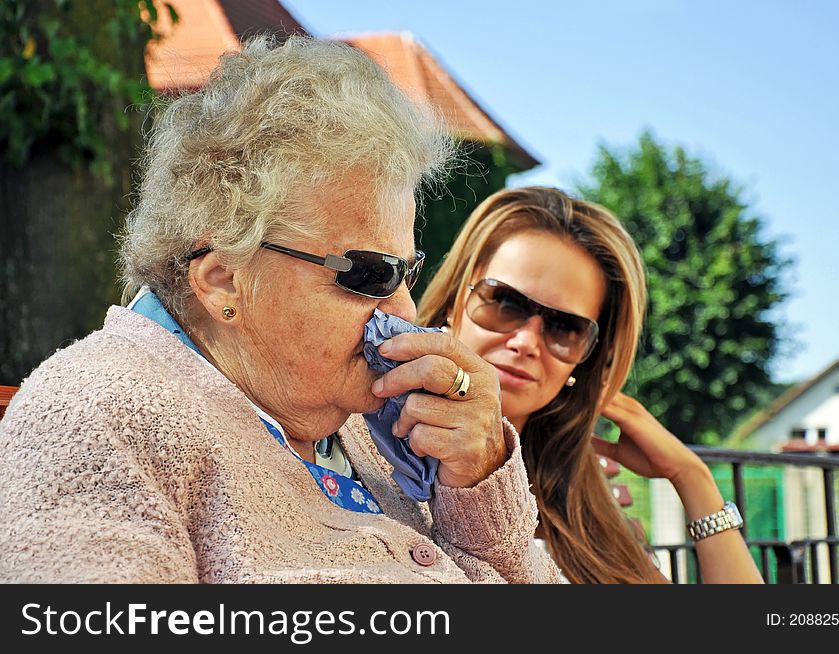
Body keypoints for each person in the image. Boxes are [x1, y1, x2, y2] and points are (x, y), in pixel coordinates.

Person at [0, 37, 560, 584]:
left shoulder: (373, 429)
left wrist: (476, 482)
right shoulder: (97, 415)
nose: (405, 310)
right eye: (371, 273)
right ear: (225, 280)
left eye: (407, 273)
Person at [418, 186, 764, 583]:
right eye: (505, 302)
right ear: (454, 302)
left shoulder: (587, 523)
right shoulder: (363, 450)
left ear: (586, 357)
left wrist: (691, 477)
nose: (527, 342)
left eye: (566, 327)